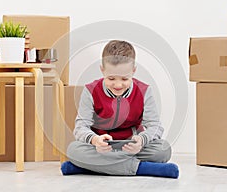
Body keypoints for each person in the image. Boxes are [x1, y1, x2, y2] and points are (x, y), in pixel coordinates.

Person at [61, 40, 179, 178]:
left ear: (133, 71)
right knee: (73, 150)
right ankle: (141, 168)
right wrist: (94, 140)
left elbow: (155, 126)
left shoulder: (144, 91)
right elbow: (80, 127)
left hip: (131, 146)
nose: (118, 85)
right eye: (111, 78)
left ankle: (91, 167)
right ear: (102, 70)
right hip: (101, 148)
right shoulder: (90, 90)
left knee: (163, 149)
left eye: (124, 79)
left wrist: (141, 141)